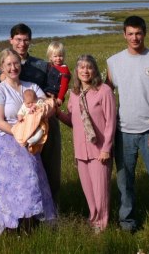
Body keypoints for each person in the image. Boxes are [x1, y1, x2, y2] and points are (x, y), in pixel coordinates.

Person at [106, 15, 149, 236]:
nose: (134, 37)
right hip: (123, 132)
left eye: (138, 33)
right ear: (124, 35)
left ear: (144, 33)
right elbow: (107, 96)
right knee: (124, 182)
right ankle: (127, 222)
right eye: (130, 34)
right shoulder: (113, 62)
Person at [0, 48, 56, 235]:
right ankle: (9, 226)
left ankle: (29, 224)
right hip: (6, 141)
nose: (13, 67)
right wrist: (19, 133)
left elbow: (48, 107)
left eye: (16, 63)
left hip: (29, 143)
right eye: (8, 64)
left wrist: (42, 111)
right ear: (1, 67)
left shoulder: (31, 87)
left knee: (30, 181)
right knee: (4, 184)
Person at [0, 23, 62, 205]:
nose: (22, 43)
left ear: (30, 41)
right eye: (18, 39)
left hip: (45, 123)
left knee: (51, 169)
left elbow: (53, 93)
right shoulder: (2, 67)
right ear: (11, 40)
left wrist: (48, 104)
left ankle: (52, 211)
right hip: (17, 126)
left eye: (25, 40)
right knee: (24, 173)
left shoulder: (42, 66)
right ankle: (27, 210)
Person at [57, 55, 116, 233]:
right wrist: (57, 113)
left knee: (101, 191)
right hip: (81, 151)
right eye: (81, 67)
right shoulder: (74, 94)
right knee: (89, 192)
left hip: (99, 151)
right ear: (76, 71)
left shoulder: (104, 91)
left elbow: (111, 122)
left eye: (89, 67)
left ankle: (102, 226)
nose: (85, 71)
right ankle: (93, 219)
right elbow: (73, 121)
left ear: (95, 70)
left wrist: (106, 148)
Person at [12, 89, 53, 154]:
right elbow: (20, 113)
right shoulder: (24, 107)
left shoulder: (38, 103)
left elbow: (43, 106)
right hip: (27, 124)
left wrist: (36, 107)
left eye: (33, 102)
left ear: (36, 99)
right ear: (24, 102)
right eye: (28, 103)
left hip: (38, 123)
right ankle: (25, 139)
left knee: (40, 130)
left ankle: (35, 139)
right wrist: (20, 117)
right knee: (24, 131)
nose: (30, 104)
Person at [44, 41, 71, 106]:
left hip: (55, 95)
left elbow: (64, 85)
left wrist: (60, 97)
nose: (58, 58)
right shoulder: (49, 66)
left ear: (64, 56)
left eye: (60, 56)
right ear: (50, 57)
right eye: (55, 56)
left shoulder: (64, 70)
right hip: (45, 92)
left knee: (51, 111)